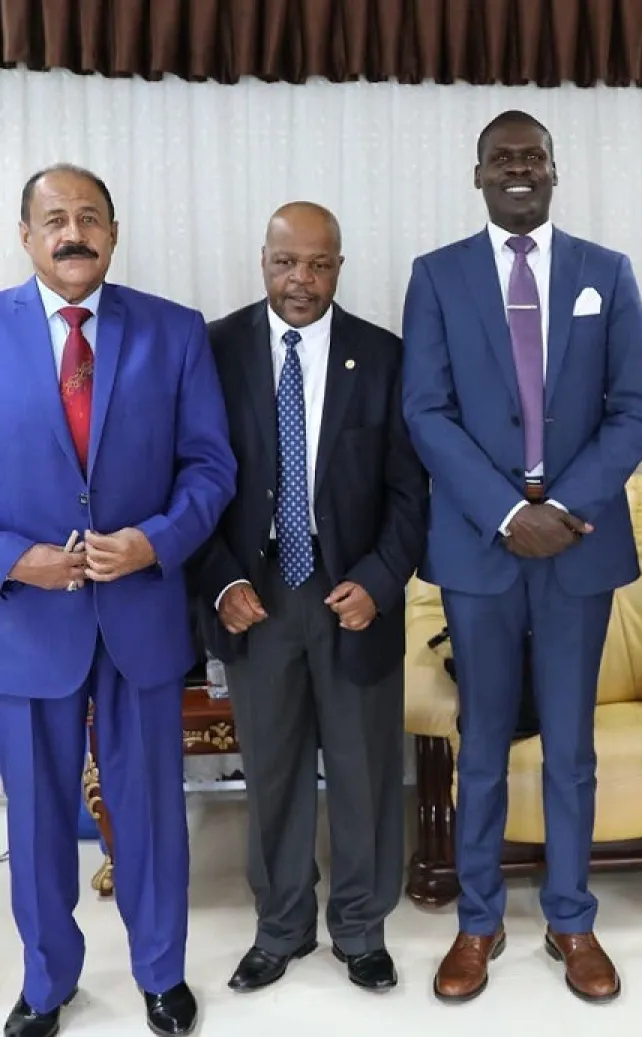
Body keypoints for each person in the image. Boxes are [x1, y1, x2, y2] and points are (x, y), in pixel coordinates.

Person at [401, 111, 642, 1005]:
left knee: (570, 748)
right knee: (481, 746)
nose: (518, 169)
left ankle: (571, 917)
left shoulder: (606, 273)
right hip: (481, 550)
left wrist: (567, 509)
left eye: (533, 156)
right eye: (501, 158)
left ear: (555, 170)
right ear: (477, 174)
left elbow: (635, 407)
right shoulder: (435, 277)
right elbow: (426, 412)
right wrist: (510, 511)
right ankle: (477, 921)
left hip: (578, 552)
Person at [0, 164, 236, 1037]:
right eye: (54, 218)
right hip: (26, 624)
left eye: (89, 217)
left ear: (114, 230)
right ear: (26, 235)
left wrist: (157, 541)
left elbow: (211, 467)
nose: (73, 232)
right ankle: (46, 980)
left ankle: (161, 972)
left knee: (150, 813)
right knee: (35, 817)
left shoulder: (173, 331)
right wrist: (15, 560)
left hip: (140, 614)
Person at [189, 203, 428, 995]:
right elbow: (191, 479)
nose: (302, 280)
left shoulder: (384, 356)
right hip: (254, 600)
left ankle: (361, 929)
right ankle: (282, 925)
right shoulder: (214, 350)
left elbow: (409, 490)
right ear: (262, 260)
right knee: (274, 770)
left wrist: (383, 578)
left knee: (363, 773)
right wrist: (221, 579)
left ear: (340, 266)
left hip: (351, 596)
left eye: (319, 264)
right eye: (287, 262)